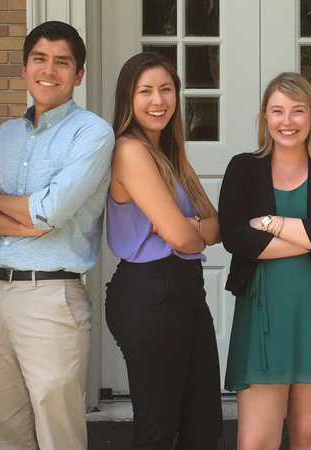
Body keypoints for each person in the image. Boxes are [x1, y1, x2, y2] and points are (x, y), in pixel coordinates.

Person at [0, 21, 115, 450]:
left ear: (78, 74)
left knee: (56, 428)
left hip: (51, 299)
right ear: (24, 68)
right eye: (40, 59)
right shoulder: (5, 135)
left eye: (62, 62)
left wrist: (3, 199)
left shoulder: (92, 133)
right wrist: (26, 219)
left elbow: (49, 212)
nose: (50, 70)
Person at [219, 72, 311, 450]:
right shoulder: (243, 169)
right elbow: (236, 239)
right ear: (265, 115)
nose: (287, 121)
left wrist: (269, 223)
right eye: (278, 111)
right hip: (263, 316)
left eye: (297, 111)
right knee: (255, 442)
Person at [104, 52, 222, 450]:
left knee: (204, 423)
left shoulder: (172, 155)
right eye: (146, 91)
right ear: (128, 98)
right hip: (149, 293)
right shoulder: (129, 150)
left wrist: (186, 228)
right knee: (157, 430)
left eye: (166, 90)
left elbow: (214, 227)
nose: (158, 101)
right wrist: (189, 231)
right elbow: (187, 239)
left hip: (186, 291)